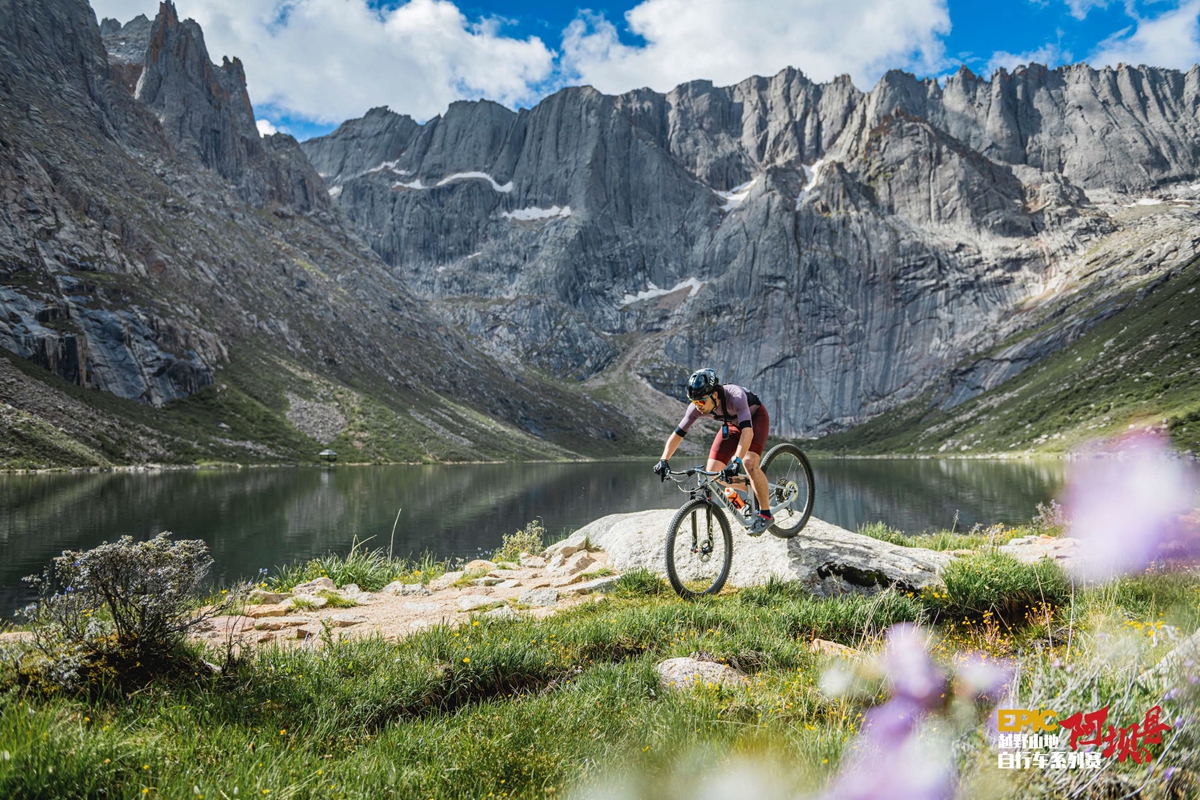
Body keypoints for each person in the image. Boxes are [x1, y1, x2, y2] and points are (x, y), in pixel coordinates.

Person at [653, 368, 774, 534]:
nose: (698, 407)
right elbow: (678, 434)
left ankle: (766, 515)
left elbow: (747, 432)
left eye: (701, 402)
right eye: (694, 402)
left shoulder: (736, 396)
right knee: (713, 473)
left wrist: (736, 461)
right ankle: (756, 491)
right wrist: (663, 460)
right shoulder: (697, 406)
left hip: (754, 420)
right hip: (731, 425)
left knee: (749, 462)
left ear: (714, 395)